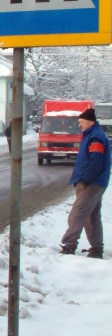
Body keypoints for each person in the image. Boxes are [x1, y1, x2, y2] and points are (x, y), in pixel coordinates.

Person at [59, 108, 110, 259]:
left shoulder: (95, 138)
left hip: (92, 183)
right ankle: (96, 249)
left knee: (78, 214)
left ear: (90, 122)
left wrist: (86, 180)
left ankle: (69, 245)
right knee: (91, 216)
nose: (79, 125)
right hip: (96, 182)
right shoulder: (92, 135)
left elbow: (96, 162)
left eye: (81, 122)